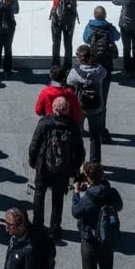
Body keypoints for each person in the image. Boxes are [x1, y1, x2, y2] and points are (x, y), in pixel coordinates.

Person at [29, 95, 83, 238]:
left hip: (43, 166)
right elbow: (79, 150)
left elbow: (34, 143)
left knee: (39, 194)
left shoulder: (45, 122)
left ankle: (37, 224)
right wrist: (75, 167)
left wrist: (33, 160)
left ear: (53, 109)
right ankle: (55, 228)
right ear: (66, 110)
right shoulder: (72, 125)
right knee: (57, 198)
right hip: (62, 168)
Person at [71, 161, 123, 269]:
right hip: (107, 238)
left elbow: (75, 212)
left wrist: (76, 193)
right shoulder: (110, 191)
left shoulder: (89, 198)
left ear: (88, 177)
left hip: (91, 241)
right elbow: (119, 206)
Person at [82, 7, 120, 139]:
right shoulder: (109, 27)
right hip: (106, 66)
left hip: (92, 65)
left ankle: (82, 126)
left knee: (86, 94)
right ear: (105, 15)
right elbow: (117, 36)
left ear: (94, 15)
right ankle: (100, 128)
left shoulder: (90, 26)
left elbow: (85, 39)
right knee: (103, 98)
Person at [68, 45, 108, 163]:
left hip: (80, 107)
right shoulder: (100, 70)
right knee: (95, 136)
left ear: (79, 58)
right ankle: (94, 162)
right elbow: (105, 75)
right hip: (96, 107)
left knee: (77, 135)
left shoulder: (75, 72)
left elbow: (69, 82)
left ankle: (77, 160)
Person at [48, 0, 80, 68]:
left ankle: (55, 65)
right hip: (69, 20)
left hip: (57, 19)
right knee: (68, 43)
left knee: (56, 42)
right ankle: (67, 66)